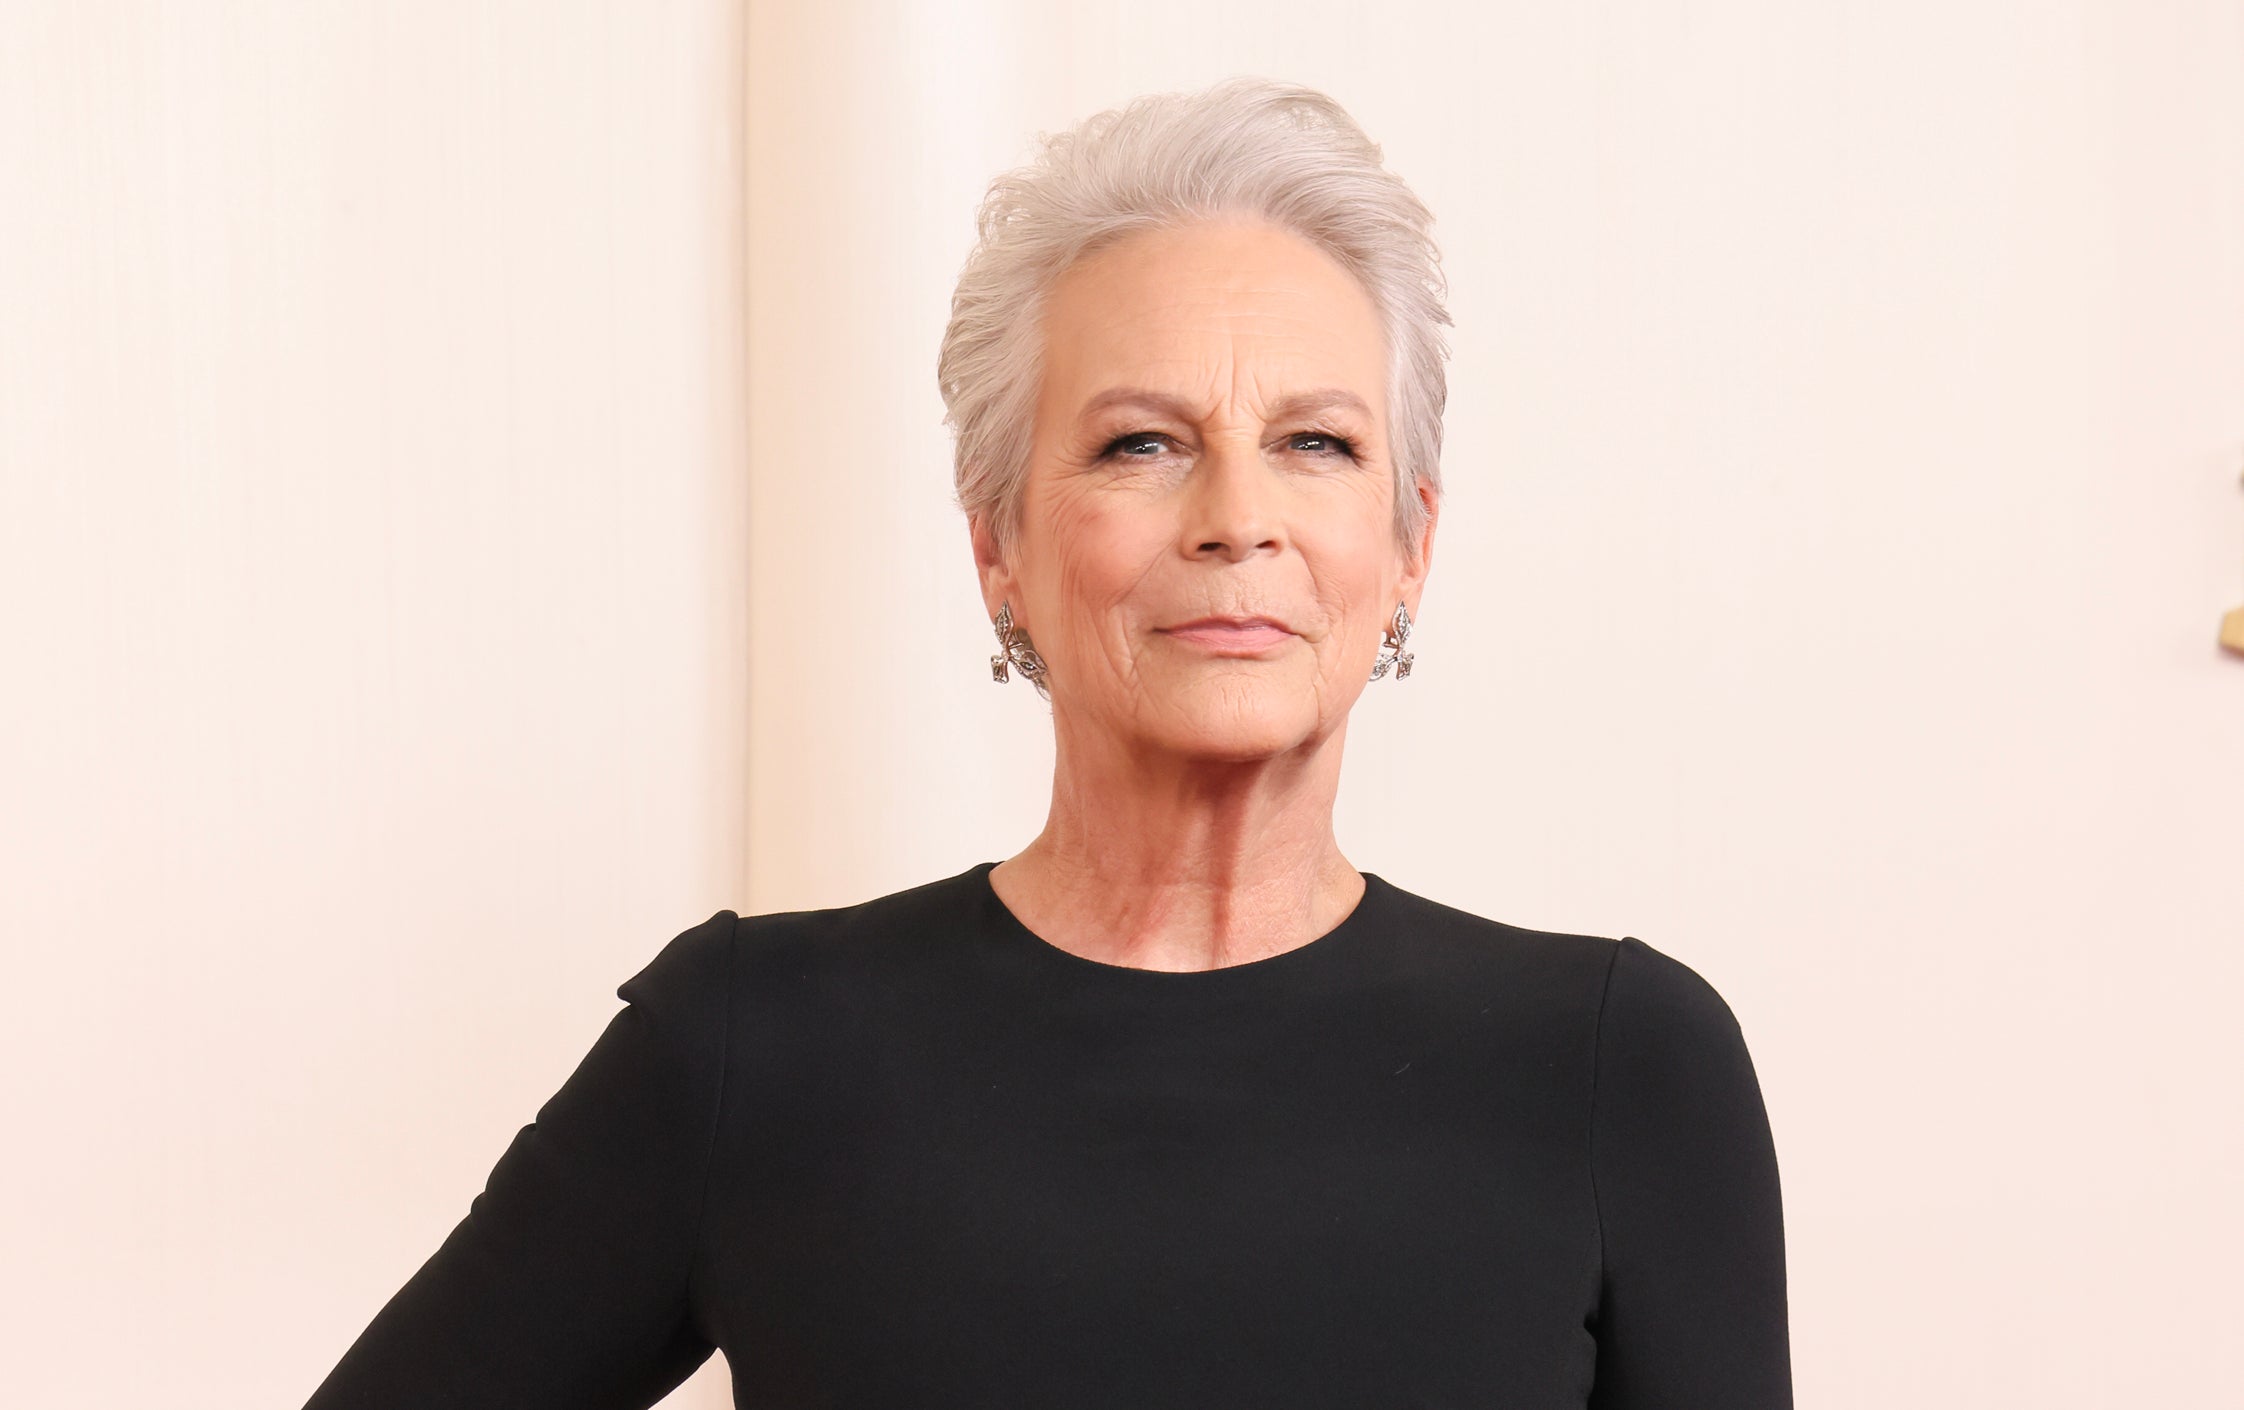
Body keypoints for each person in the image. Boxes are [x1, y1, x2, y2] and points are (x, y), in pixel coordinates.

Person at [302, 76, 1792, 1409]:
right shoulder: (752, 1046)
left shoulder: (1620, 1069)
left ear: (1408, 547)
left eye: (1317, 442)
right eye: (1141, 441)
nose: (1236, 516)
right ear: (998, 543)